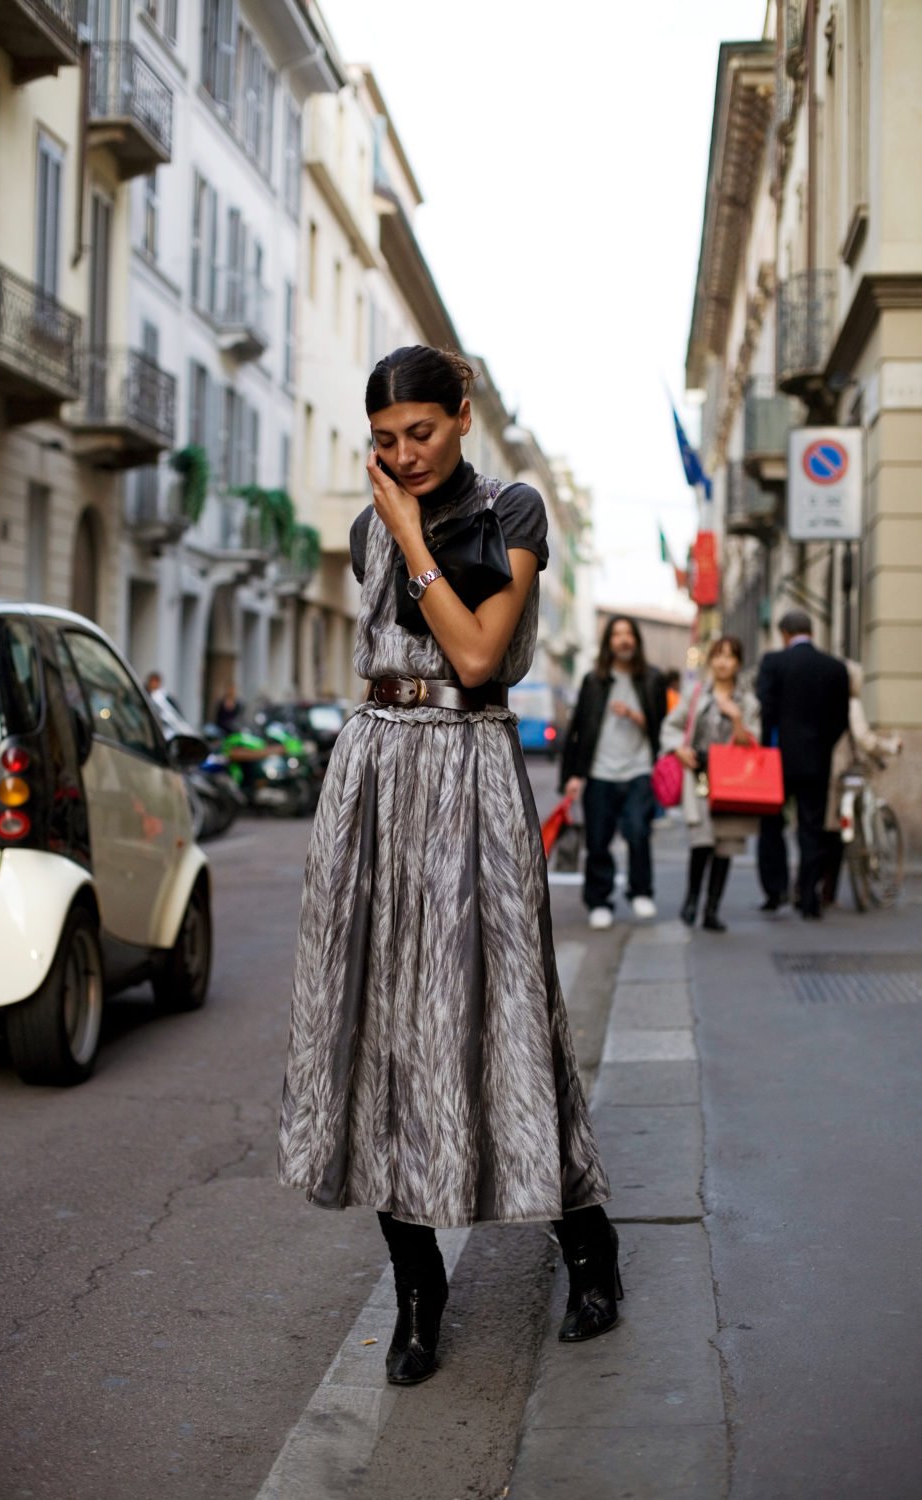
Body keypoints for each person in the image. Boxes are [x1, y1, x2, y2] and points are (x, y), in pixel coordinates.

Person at [278, 346, 619, 1387]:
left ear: (462, 416)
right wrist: (389, 529)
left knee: (502, 1012)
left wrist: (408, 533)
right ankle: (416, 1291)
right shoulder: (364, 527)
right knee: (375, 1022)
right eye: (384, 442)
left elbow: (475, 659)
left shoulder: (510, 511)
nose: (403, 455)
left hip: (468, 773)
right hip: (373, 774)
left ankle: (586, 1243)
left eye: (420, 433)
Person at [560, 616, 668, 929]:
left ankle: (641, 892)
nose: (623, 640)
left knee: (638, 831)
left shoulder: (652, 679)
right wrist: (573, 775)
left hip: (639, 769)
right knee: (598, 839)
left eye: (628, 634)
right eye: (617, 634)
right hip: (599, 772)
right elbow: (578, 728)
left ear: (636, 640)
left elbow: (662, 727)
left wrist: (634, 715)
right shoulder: (594, 680)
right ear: (609, 642)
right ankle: (599, 900)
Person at [660, 637, 761, 932]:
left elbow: (754, 742)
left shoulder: (749, 702)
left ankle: (712, 909)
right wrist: (678, 749)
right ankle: (691, 900)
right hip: (700, 775)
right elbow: (671, 726)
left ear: (739, 663)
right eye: (718, 655)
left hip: (734, 780)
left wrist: (737, 717)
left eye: (730, 656)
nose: (723, 662)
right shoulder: (695, 694)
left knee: (726, 843)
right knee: (701, 840)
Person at [756, 609, 849, 918]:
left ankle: (776, 890)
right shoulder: (835, 668)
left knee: (772, 825)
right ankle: (808, 897)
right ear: (811, 632)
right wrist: (821, 747)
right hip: (816, 760)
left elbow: (766, 710)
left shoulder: (773, 663)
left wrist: (769, 747)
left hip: (776, 759)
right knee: (811, 829)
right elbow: (840, 720)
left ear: (784, 634)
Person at [822, 660, 902, 904]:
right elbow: (864, 739)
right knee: (842, 826)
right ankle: (863, 863)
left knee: (829, 830)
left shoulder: (823, 699)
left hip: (826, 770)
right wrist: (889, 746)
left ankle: (823, 889)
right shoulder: (851, 703)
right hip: (848, 770)